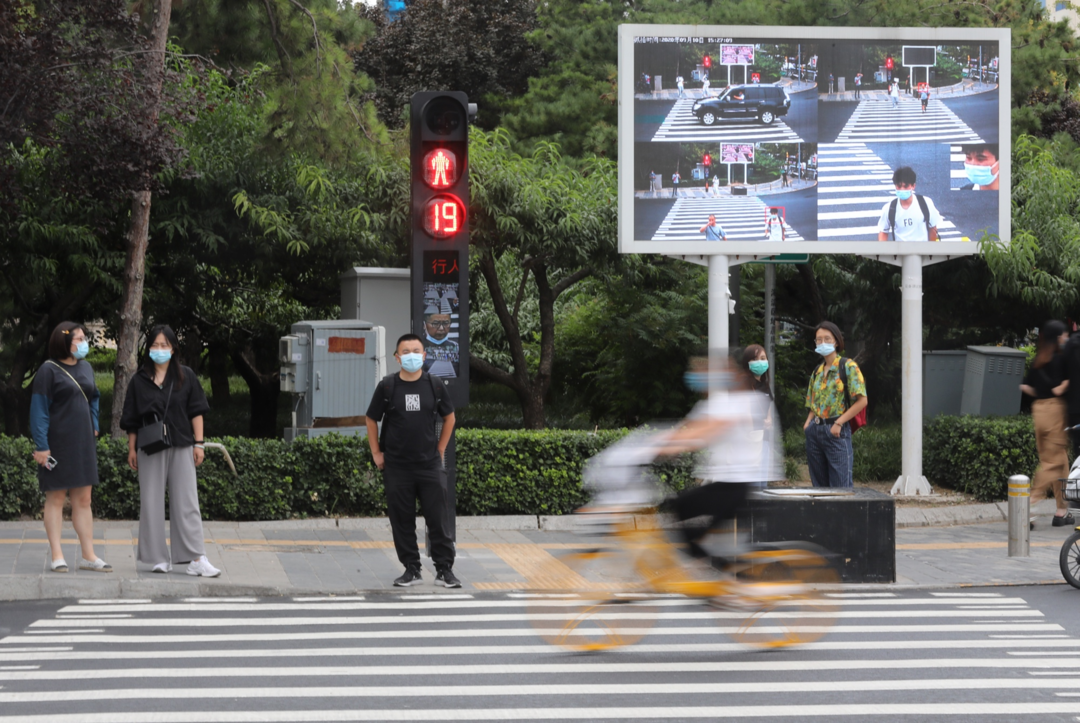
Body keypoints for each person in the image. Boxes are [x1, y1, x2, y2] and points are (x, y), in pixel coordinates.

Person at [658, 352, 782, 558]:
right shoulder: (714, 404)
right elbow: (687, 428)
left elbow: (708, 430)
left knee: (682, 511)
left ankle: (724, 576)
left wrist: (674, 447)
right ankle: (716, 568)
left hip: (737, 486)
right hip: (724, 484)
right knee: (684, 517)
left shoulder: (745, 401)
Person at [121, 325, 219, 577]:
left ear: (173, 349)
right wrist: (132, 449)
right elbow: (131, 419)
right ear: (148, 349)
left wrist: (199, 443)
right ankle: (156, 558)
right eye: (155, 345)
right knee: (151, 502)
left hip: (182, 444)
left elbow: (196, 411)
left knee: (187, 501)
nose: (160, 350)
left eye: (165, 345)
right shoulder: (138, 380)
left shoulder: (185, 376)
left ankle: (196, 558)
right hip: (150, 447)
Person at [365, 334, 459, 588]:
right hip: (397, 467)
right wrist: (376, 453)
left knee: (438, 519)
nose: (411, 355)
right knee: (402, 520)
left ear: (424, 355)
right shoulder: (388, 386)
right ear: (397, 357)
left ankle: (444, 570)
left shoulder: (435, 385)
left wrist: (440, 449)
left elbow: (449, 418)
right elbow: (371, 419)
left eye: (416, 350)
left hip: (429, 465)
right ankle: (411, 569)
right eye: (405, 352)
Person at [30, 322, 110, 574]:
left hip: (83, 442)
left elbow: (94, 396)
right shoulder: (48, 370)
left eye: (84, 338)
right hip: (57, 444)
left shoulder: (86, 367)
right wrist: (42, 446)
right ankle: (57, 555)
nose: (83, 342)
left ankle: (88, 555)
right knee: (55, 498)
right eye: (78, 339)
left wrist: (94, 423)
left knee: (84, 499)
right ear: (64, 342)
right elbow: (39, 411)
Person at [803, 322, 868, 488]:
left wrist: (839, 423)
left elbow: (862, 401)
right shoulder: (817, 370)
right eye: (819, 340)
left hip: (836, 431)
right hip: (815, 431)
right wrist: (808, 423)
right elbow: (812, 401)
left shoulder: (848, 366)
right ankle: (821, 515)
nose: (822, 342)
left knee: (841, 488)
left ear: (837, 341)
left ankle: (843, 515)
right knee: (819, 488)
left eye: (827, 338)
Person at [1021, 321, 1073, 526]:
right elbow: (1064, 385)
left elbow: (1027, 387)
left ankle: (1062, 510)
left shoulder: (1039, 359)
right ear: (1058, 337)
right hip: (1054, 411)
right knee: (1053, 464)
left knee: (1058, 459)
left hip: (1039, 412)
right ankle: (1028, 504)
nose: (1066, 338)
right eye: (1064, 335)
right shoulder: (1060, 359)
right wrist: (1062, 387)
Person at [877, 166, 942, 242]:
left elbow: (933, 229)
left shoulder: (926, 203)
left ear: (913, 186)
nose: (902, 189)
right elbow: (883, 232)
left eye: (906, 186)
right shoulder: (889, 208)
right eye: (899, 186)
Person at [423, 307, 459, 378]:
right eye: (436, 323)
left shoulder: (455, 346)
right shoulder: (418, 347)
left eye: (446, 323)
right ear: (425, 324)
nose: (441, 328)